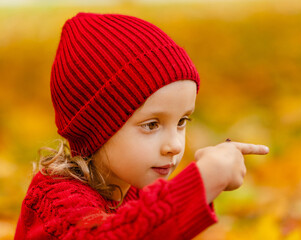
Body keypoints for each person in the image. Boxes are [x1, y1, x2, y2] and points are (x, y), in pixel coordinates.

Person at [14, 12, 269, 239]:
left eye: (181, 121)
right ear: (98, 129)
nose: (174, 145)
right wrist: (204, 181)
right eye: (151, 125)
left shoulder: (130, 187)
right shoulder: (58, 203)